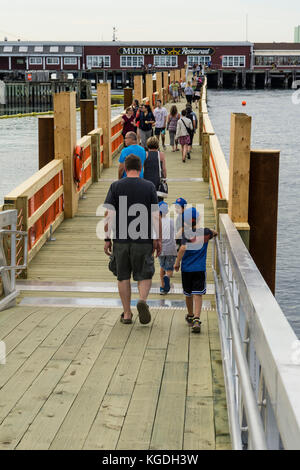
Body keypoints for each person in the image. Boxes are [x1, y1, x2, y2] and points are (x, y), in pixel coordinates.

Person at [104, 154, 161, 325]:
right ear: (141, 168)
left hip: (121, 239)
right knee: (145, 274)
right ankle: (142, 300)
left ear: (126, 169)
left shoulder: (115, 186)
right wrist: (157, 239)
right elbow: (156, 215)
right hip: (143, 239)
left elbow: (109, 214)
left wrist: (107, 238)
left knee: (123, 276)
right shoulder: (149, 186)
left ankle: (127, 314)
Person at [174, 207, 217, 333]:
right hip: (199, 269)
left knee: (188, 294)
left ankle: (190, 314)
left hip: (186, 269)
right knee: (197, 293)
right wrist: (213, 232)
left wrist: (177, 263)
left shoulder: (185, 234)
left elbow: (182, 248)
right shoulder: (206, 232)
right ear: (199, 219)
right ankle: (197, 319)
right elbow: (215, 232)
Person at [158, 201, 177, 294]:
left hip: (161, 249)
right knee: (169, 269)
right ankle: (167, 277)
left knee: (162, 267)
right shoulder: (172, 221)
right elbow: (176, 234)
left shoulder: (157, 222)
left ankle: (162, 287)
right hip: (171, 249)